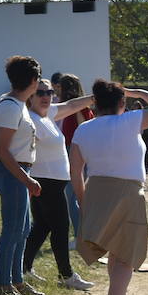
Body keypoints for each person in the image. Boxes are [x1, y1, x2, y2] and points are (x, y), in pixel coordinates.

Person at [70, 82, 148, 295]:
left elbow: (75, 171)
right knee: (126, 254)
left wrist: (83, 201)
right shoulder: (129, 121)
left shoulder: (83, 129)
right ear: (122, 102)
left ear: (95, 104)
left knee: (116, 251)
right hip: (127, 191)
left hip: (95, 189)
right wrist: (137, 92)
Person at [22, 79, 96, 291]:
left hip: (50, 182)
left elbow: (71, 106)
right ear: (30, 96)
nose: (46, 96)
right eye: (40, 92)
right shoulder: (31, 119)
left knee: (42, 227)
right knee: (61, 228)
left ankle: (24, 268)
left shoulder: (47, 114)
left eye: (50, 92)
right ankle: (66, 275)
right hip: (45, 183)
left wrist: (94, 97)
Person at [0, 55, 43, 295]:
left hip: (19, 171)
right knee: (12, 230)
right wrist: (27, 180)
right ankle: (3, 283)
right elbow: (3, 149)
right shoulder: (11, 106)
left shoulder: (17, 104)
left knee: (22, 229)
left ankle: (17, 280)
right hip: (13, 172)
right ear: (33, 80)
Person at [56, 74, 92, 237]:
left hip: (74, 150)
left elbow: (83, 129)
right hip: (70, 149)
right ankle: (83, 233)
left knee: (73, 197)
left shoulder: (78, 107)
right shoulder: (74, 106)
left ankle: (80, 236)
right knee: (73, 196)